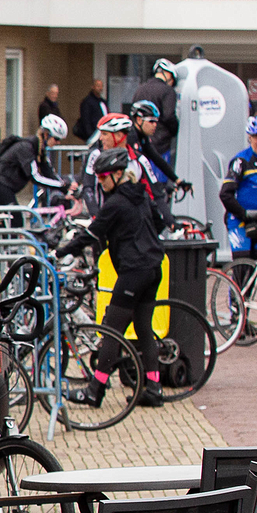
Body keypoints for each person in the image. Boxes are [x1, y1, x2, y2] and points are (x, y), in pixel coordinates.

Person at [54, 145, 165, 408]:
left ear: (117, 175)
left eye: (104, 177)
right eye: (98, 177)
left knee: (112, 332)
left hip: (134, 272)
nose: (101, 182)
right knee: (144, 329)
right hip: (153, 268)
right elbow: (159, 222)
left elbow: (91, 234)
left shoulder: (115, 204)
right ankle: (154, 388)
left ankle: (95, 390)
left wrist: (60, 251)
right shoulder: (141, 195)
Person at [218, 116, 257, 261]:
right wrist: (244, 214)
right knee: (243, 265)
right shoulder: (241, 161)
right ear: (250, 138)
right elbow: (225, 194)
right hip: (239, 221)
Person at [126, 99, 191, 229]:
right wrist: (170, 221)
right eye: (151, 121)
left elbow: (157, 159)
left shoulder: (142, 137)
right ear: (138, 119)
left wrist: (177, 180)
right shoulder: (130, 137)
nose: (155, 125)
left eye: (156, 121)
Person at [0, 115, 68, 207]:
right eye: (56, 139)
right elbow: (35, 177)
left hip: (7, 186)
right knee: (17, 215)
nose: (58, 142)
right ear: (46, 135)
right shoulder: (26, 148)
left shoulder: (39, 150)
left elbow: (47, 171)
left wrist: (66, 186)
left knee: (12, 214)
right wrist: (61, 186)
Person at [79, 113, 132, 215]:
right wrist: (96, 216)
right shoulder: (96, 155)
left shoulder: (136, 158)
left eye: (105, 134)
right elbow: (88, 188)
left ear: (119, 136)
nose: (100, 138)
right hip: (103, 216)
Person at [131, 58, 180, 160]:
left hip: (140, 144)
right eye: (172, 81)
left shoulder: (140, 89)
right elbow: (169, 116)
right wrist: (176, 130)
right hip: (161, 145)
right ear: (168, 74)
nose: (172, 83)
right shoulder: (167, 91)